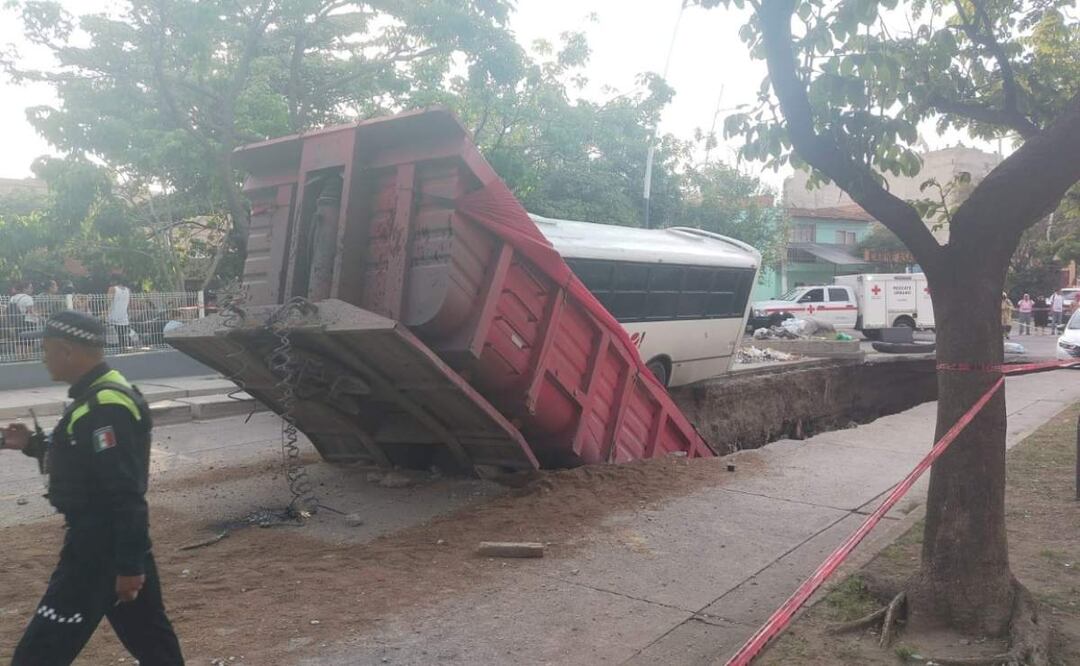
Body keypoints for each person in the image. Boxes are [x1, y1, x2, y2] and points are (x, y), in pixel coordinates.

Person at [1, 311, 184, 665]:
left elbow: (125, 492)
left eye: (46, 349)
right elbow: (85, 460)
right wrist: (32, 444)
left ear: (67, 351)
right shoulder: (96, 397)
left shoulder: (106, 406)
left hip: (97, 551)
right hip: (115, 545)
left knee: (36, 656)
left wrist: (129, 566)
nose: (43, 358)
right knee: (155, 646)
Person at [107, 276, 132, 352]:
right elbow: (128, 304)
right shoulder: (128, 290)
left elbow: (108, 302)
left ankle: (116, 351)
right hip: (124, 316)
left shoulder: (112, 289)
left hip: (113, 316)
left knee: (114, 337)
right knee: (123, 336)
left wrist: (105, 313)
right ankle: (124, 349)